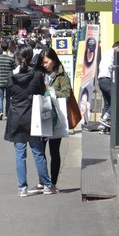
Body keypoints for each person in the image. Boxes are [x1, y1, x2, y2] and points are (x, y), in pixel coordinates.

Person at [5, 44, 57, 197]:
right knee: (38, 152)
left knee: (20, 154)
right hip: (33, 117)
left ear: (17, 58)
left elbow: (9, 94)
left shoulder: (11, 76)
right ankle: (47, 185)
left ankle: (22, 188)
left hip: (16, 117)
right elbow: (42, 93)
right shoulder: (36, 75)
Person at [36, 47, 72, 191]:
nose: (44, 65)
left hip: (56, 116)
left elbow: (66, 94)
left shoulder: (62, 75)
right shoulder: (39, 74)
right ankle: (43, 180)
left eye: (46, 62)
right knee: (40, 149)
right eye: (42, 63)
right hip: (43, 113)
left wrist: (50, 90)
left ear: (54, 60)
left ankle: (53, 182)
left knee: (54, 150)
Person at [97, 41, 119, 128]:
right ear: (118, 48)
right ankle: (105, 118)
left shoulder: (107, 53)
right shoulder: (115, 52)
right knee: (117, 99)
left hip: (101, 81)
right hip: (107, 80)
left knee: (107, 103)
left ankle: (102, 126)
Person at [0, 41, 15, 121]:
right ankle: (7, 114)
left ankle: (0, 112)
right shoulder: (11, 59)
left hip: (1, 81)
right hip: (9, 81)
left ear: (1, 48)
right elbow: (15, 68)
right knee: (8, 98)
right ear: (8, 48)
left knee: (0, 98)